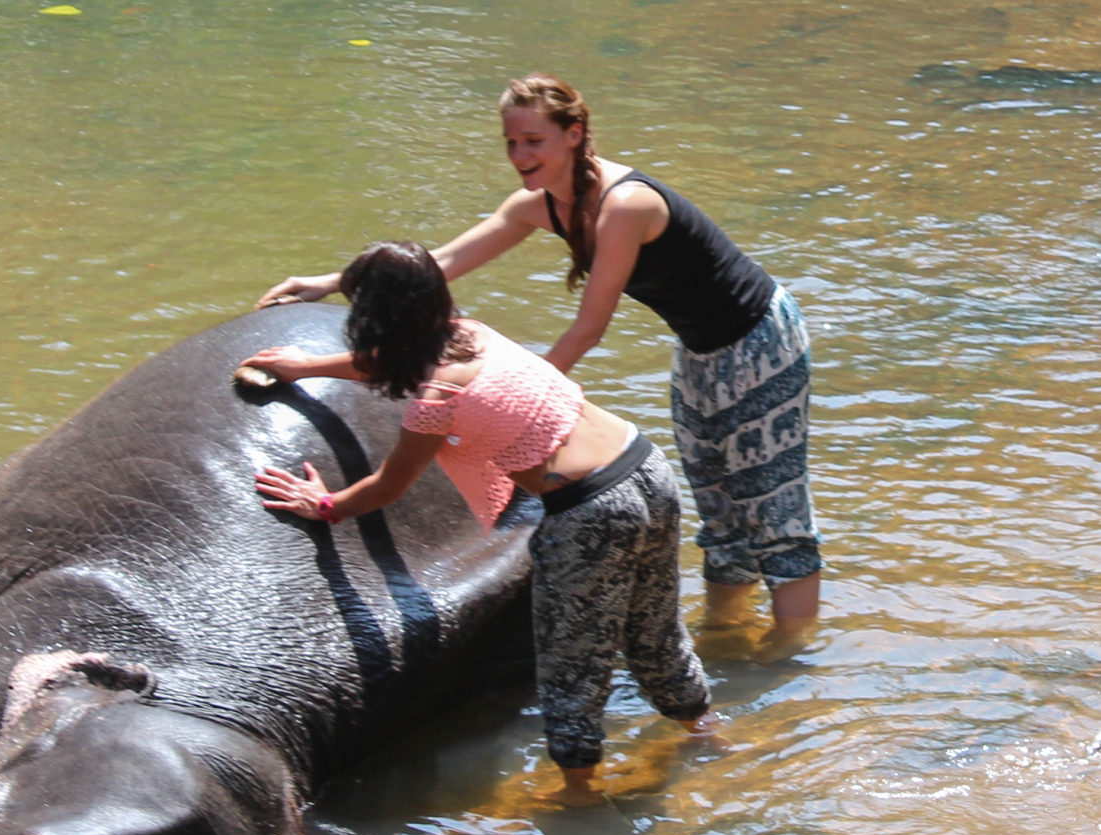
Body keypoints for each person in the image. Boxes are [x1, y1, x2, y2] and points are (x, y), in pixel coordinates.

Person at [256, 74, 819, 630]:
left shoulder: (625, 206)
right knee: (719, 506)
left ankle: (792, 654)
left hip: (760, 340)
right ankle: (728, 638)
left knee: (772, 509)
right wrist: (330, 281)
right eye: (511, 143)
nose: (520, 156)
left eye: (534, 141)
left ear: (574, 134)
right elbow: (438, 267)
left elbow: (588, 328)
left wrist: (515, 400)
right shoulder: (539, 204)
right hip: (699, 349)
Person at [244, 241, 715, 799]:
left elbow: (389, 486)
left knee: (570, 664)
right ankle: (709, 741)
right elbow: (399, 362)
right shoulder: (477, 334)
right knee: (655, 631)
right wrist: (308, 367)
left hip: (592, 510)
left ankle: (578, 797)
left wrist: (323, 505)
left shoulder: (437, 400)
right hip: (645, 466)